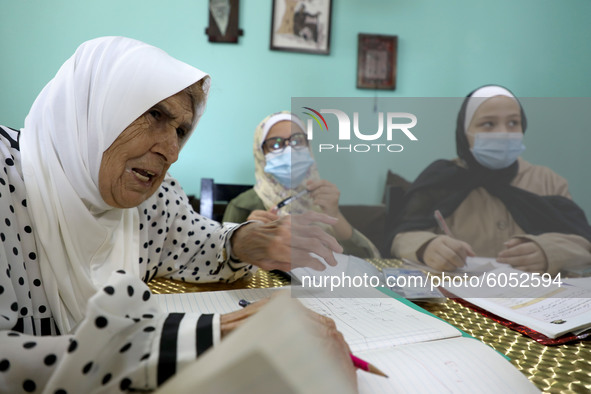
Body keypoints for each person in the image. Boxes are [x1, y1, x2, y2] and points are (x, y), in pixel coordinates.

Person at [0, 36, 356, 392]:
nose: (172, 151)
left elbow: (200, 245)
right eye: (155, 114)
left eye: (181, 131)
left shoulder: (152, 201)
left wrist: (242, 240)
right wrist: (204, 340)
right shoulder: (6, 178)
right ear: (93, 105)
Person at [390, 85, 591, 275]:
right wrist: (427, 246)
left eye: (513, 123)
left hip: (536, 303)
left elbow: (583, 242)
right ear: (464, 132)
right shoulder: (440, 180)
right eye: (488, 124)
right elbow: (401, 237)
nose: (503, 132)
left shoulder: (549, 181)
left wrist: (549, 252)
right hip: (459, 302)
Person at [223, 111, 381, 259]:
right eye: (276, 144)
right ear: (261, 153)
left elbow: (365, 260)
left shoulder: (322, 200)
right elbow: (222, 265)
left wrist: (335, 214)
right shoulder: (242, 207)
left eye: (297, 141)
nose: (290, 150)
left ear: (308, 146)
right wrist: (247, 239)